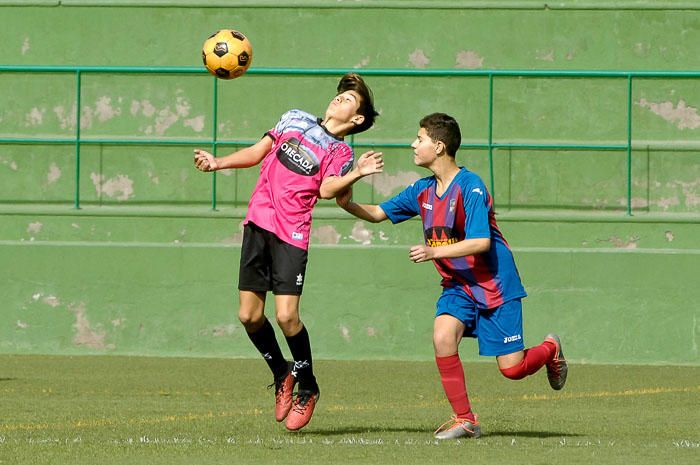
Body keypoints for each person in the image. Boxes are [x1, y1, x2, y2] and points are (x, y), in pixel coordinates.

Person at [336, 112, 567, 439]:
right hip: (458, 287)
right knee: (442, 336)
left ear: (439, 146)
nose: (413, 145)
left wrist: (434, 251)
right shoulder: (422, 190)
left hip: (495, 286)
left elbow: (480, 241)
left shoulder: (470, 186)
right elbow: (377, 214)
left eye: (420, 139)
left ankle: (550, 349)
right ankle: (465, 419)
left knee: (512, 369)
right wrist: (347, 203)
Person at [193, 73, 383, 431]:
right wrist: (218, 163)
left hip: (291, 235)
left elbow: (328, 190)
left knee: (286, 317)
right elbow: (257, 152)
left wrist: (356, 173)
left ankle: (308, 387)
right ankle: (282, 372)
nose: (338, 100)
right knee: (248, 316)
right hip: (258, 223)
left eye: (348, 101)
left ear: (357, 120)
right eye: (339, 96)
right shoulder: (293, 118)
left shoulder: (341, 152)